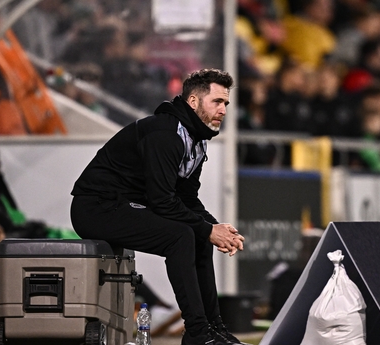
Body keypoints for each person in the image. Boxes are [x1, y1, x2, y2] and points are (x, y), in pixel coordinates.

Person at [70, 68, 247, 345]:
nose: (223, 109)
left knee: (198, 235)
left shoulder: (196, 140)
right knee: (181, 235)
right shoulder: (166, 134)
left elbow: (186, 198)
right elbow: (163, 200)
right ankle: (198, 334)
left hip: (122, 204)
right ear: (193, 102)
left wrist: (215, 228)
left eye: (226, 103)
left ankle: (214, 329)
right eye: (217, 101)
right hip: (96, 208)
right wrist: (208, 230)